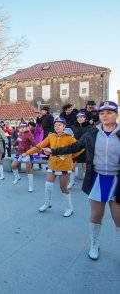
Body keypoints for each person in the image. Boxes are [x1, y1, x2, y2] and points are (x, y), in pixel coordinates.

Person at [45, 101, 120, 260]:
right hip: (97, 178)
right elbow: (75, 146)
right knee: (96, 215)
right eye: (102, 112)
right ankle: (94, 244)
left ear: (116, 114)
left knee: (118, 217)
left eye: (109, 112)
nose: (105, 115)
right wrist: (54, 151)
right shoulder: (92, 132)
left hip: (117, 180)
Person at [22, 117, 82, 217]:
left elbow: (79, 148)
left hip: (65, 166)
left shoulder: (70, 137)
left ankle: (69, 208)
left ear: (64, 126)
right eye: (55, 125)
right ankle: (47, 203)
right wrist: (27, 153)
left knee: (63, 188)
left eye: (59, 125)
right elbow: (39, 146)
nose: (57, 127)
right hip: (52, 164)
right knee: (48, 185)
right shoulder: (51, 136)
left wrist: (69, 157)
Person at [67, 111, 91, 189]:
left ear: (84, 118)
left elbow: (90, 138)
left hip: (84, 149)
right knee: (72, 166)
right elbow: (69, 137)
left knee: (85, 166)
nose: (80, 119)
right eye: (78, 117)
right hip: (75, 148)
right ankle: (71, 181)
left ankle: (86, 183)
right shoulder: (73, 126)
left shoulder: (89, 127)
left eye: (82, 117)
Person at [11, 122, 36, 191]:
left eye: (23, 127)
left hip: (27, 153)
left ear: (26, 127)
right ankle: (17, 177)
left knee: (28, 170)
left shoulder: (29, 134)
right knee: (13, 166)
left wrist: (39, 151)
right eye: (20, 127)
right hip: (19, 153)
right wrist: (13, 145)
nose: (22, 128)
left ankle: (30, 186)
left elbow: (34, 143)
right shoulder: (20, 133)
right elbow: (17, 141)